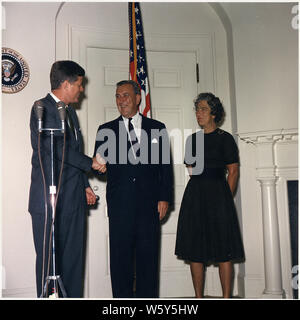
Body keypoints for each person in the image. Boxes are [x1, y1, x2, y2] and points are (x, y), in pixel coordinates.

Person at [28, 60, 103, 298]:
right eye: (79, 85)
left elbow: (72, 152)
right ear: (67, 83)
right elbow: (54, 149)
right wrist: (90, 162)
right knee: (50, 264)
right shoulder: (42, 108)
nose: (82, 90)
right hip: (50, 200)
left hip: (73, 199)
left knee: (73, 262)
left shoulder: (69, 112)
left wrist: (84, 186)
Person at [93, 80, 173, 298]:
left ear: (138, 98)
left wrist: (164, 197)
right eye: (118, 96)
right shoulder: (105, 130)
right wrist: (98, 164)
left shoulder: (157, 128)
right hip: (121, 207)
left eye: (126, 95)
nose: (121, 100)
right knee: (120, 263)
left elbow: (165, 168)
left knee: (148, 261)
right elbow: (99, 169)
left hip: (149, 206)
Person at [175, 92, 245, 298]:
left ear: (214, 113)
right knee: (194, 250)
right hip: (195, 197)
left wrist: (224, 198)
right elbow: (192, 170)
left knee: (225, 250)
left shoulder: (225, 139)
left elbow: (233, 171)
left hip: (219, 198)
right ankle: (198, 297)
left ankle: (225, 297)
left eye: (203, 109)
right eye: (197, 109)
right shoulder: (191, 140)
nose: (199, 113)